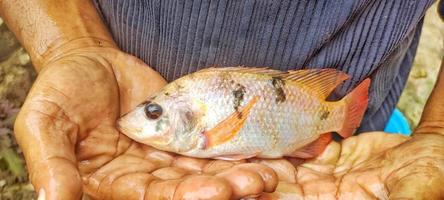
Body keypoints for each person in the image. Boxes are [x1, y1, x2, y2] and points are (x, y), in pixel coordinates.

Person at [0, 0, 443, 199]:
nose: (141, 119)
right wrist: (73, 45)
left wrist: (438, 131)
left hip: (349, 156)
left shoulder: (202, 120)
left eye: (153, 113)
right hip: (121, 154)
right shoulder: (131, 124)